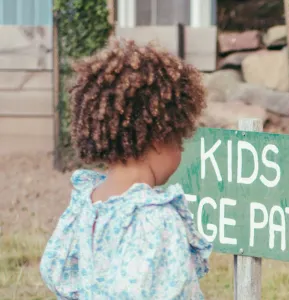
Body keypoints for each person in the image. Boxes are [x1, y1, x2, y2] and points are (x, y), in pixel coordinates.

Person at [39, 38, 211, 299]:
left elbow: (54, 270)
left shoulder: (86, 203)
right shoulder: (156, 219)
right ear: (158, 140)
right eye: (179, 139)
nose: (182, 149)